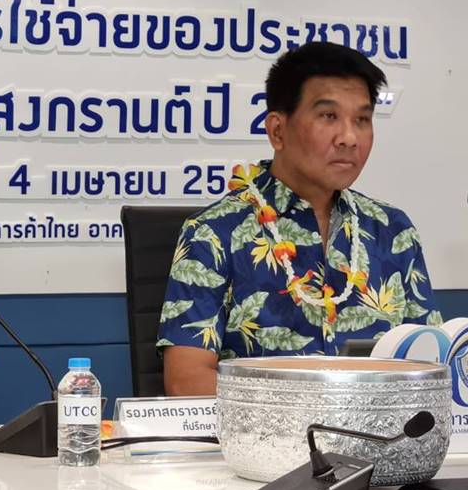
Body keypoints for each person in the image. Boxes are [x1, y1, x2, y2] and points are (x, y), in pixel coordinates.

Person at [157, 42, 441, 396]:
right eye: (328, 116)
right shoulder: (213, 233)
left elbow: (432, 366)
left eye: (362, 120)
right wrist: (305, 413)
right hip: (261, 432)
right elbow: (186, 381)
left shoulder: (393, 230)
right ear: (277, 131)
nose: (349, 138)